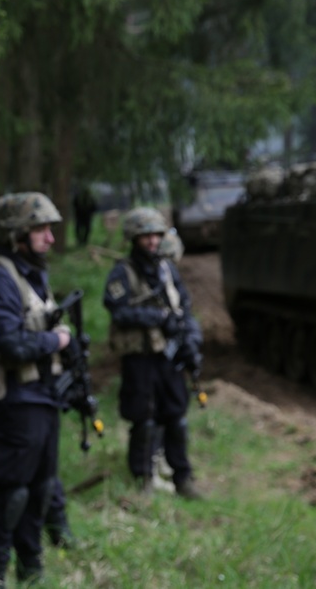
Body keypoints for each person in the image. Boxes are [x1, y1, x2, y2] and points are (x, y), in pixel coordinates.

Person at [0, 192, 73, 587]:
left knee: (41, 486)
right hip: (12, 400)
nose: (50, 238)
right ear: (15, 234)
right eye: (41, 229)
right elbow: (10, 343)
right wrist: (57, 342)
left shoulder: (28, 271)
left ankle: (31, 565)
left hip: (41, 395)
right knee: (11, 490)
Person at [103, 207, 204, 499]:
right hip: (140, 357)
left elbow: (184, 306)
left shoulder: (167, 269)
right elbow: (118, 310)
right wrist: (157, 318)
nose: (151, 242)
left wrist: (190, 342)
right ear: (134, 238)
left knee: (176, 417)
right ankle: (143, 477)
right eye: (145, 236)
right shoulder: (123, 272)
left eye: (156, 235)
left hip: (168, 356)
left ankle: (183, 477)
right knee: (144, 418)